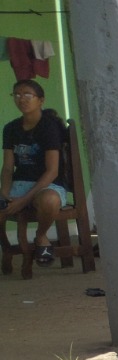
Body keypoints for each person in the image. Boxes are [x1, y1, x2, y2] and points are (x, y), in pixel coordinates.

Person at [2, 79, 67, 266]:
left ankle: (41, 236)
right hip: (19, 185)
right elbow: (7, 168)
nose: (21, 99)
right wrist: (5, 194)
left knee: (49, 201)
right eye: (17, 95)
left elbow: (52, 171)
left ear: (41, 100)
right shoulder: (11, 128)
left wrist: (24, 200)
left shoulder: (48, 127)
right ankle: (6, 247)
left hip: (47, 185)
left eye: (27, 95)